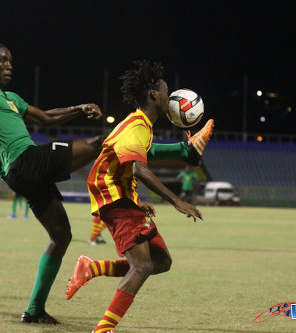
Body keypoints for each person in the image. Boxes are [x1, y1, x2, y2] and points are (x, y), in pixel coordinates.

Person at [0, 43, 213, 325]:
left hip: (25, 175)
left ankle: (34, 310)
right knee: (102, 143)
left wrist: (78, 108)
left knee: (62, 236)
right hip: (25, 161)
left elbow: (45, 118)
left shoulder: (10, 98)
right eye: (2, 60)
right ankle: (183, 151)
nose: (9, 64)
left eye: (10, 60)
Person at [65, 60, 208, 333]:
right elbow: (139, 169)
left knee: (161, 262)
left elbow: (125, 166)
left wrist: (135, 198)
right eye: (167, 92)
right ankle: (103, 330)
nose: (170, 96)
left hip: (122, 195)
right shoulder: (137, 126)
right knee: (141, 266)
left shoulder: (142, 124)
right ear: (153, 95)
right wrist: (176, 201)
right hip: (112, 197)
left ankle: (91, 268)